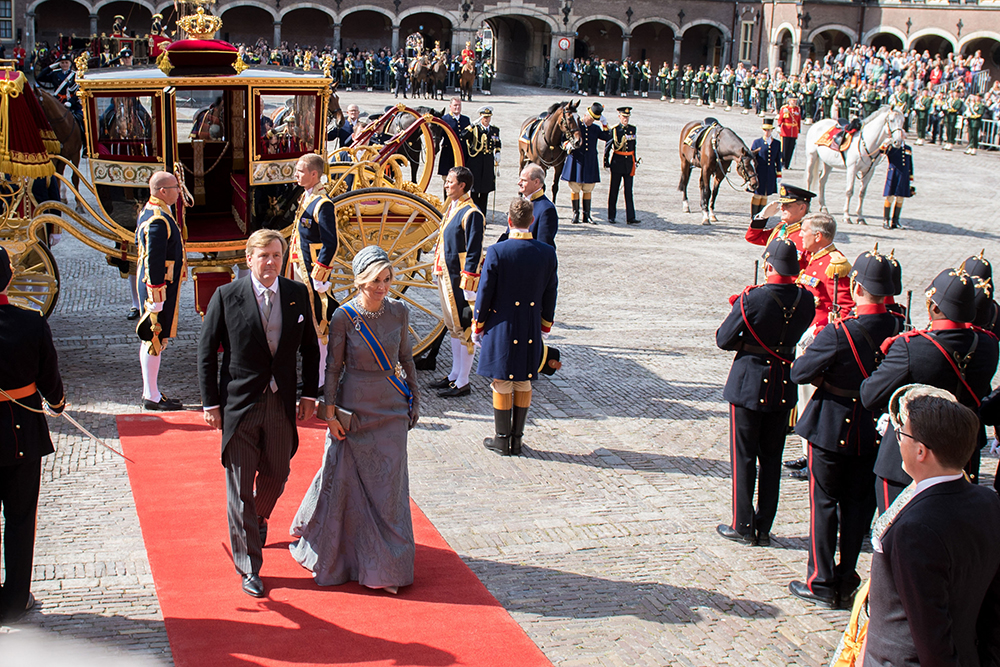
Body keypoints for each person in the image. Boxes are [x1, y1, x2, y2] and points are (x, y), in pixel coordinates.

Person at [198, 229, 320, 598]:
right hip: (240, 406)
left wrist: (310, 395)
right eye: (263, 255)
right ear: (249, 259)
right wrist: (210, 404)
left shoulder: (298, 295)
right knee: (238, 492)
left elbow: (311, 350)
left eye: (276, 256)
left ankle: (259, 516)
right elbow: (206, 352)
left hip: (280, 403)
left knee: (278, 473)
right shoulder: (226, 295)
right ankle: (249, 567)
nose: (270, 262)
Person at [290, 246, 419, 594]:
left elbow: (406, 358)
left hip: (391, 406)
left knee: (389, 489)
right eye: (375, 280)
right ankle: (350, 558)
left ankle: (390, 566)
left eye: (387, 279)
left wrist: (416, 398)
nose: (382, 287)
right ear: (361, 280)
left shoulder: (399, 311)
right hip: (354, 408)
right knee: (346, 479)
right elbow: (332, 368)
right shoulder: (344, 317)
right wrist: (328, 413)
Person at [787, 248, 901, 608]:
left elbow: (799, 372)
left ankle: (821, 579)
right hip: (872, 430)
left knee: (824, 505)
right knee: (857, 508)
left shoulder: (842, 331)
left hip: (832, 423)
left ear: (856, 286)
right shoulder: (900, 327)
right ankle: (848, 576)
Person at [863, 386, 1000, 666]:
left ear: (922, 451)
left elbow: (930, 637)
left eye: (902, 434)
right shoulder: (989, 501)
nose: (898, 440)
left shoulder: (914, 529)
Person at [861, 268, 999, 512]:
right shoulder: (989, 344)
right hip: (961, 453)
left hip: (911, 457)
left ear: (934, 307)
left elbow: (870, 395)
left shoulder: (911, 346)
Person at [716, 237, 816, 546]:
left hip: (748, 381)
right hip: (782, 381)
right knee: (772, 458)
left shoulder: (752, 298)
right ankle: (763, 525)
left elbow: (723, 339)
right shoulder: (806, 299)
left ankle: (741, 523)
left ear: (768, 265)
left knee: (744, 456)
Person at [0, 246, 65, 624]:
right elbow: (49, 379)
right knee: (21, 518)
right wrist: (57, 403)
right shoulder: (30, 322)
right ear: (8, 277)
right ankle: (14, 600)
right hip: (19, 432)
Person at [474, 199, 558, 456]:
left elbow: (485, 292)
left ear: (509, 221)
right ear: (531, 221)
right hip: (530, 323)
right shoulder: (547, 252)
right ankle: (517, 439)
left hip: (501, 323)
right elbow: (550, 292)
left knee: (502, 381)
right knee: (523, 379)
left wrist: (478, 323)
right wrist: (545, 324)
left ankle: (502, 438)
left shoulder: (498, 251)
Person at [428, 166, 484, 398]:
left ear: (462, 185)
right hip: (445, 274)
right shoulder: (454, 208)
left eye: (450, 182)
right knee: (452, 327)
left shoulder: (471, 213)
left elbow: (473, 251)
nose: (446, 185)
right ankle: (454, 374)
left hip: (459, 278)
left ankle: (463, 380)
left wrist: (469, 285)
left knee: (464, 328)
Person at [287, 154, 338, 388]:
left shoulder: (323, 203)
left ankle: (320, 379)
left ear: (314, 174)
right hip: (301, 267)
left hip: (313, 272)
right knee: (308, 321)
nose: (296, 174)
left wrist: (320, 275)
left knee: (320, 322)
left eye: (300, 171)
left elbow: (331, 243)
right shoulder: (307, 197)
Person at [135, 172, 185, 411]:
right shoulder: (157, 219)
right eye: (176, 187)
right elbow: (153, 260)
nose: (179, 191)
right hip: (158, 288)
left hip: (159, 286)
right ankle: (151, 394)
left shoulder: (158, 211)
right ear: (163, 191)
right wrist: (156, 296)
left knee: (154, 338)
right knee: (153, 338)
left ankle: (151, 391)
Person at [560, 102, 610, 224]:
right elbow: (562, 139)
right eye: (590, 118)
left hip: (590, 161)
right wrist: (567, 145)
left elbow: (608, 137)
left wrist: (605, 124)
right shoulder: (577, 126)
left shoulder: (595, 128)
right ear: (585, 115)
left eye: (594, 120)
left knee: (588, 188)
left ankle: (586, 215)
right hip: (577, 159)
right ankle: (575, 213)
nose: (591, 121)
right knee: (575, 187)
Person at [745, 184, 813, 273]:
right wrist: (762, 217)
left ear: (802, 208)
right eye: (782, 204)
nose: (781, 208)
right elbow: (752, 237)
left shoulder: (808, 233)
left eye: (787, 205)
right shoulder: (781, 228)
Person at [462, 106, 501, 216]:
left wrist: (498, 153)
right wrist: (472, 125)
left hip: (488, 163)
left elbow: (497, 143)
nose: (486, 119)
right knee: (475, 190)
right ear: (480, 117)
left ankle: (482, 214)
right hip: (476, 162)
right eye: (484, 117)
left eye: (488, 117)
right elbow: (463, 135)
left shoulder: (494, 130)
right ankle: (474, 213)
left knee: (485, 190)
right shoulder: (475, 129)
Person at [604, 106, 639, 225]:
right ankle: (611, 216)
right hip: (617, 163)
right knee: (614, 190)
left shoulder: (632, 129)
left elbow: (633, 146)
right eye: (624, 117)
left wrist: (634, 161)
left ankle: (631, 217)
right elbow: (608, 146)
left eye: (627, 117)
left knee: (629, 191)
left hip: (629, 163)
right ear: (619, 116)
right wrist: (606, 161)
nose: (626, 119)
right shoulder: (614, 130)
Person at [509, 163, 557, 247]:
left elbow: (544, 245)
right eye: (520, 179)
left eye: (524, 180)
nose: (519, 183)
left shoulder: (546, 209)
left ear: (536, 182)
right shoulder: (520, 201)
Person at [748, 118, 782, 220]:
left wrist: (779, 173)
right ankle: (754, 216)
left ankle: (761, 217)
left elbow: (778, 160)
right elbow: (751, 158)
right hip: (759, 172)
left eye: (769, 130)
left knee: (765, 195)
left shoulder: (776, 143)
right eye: (765, 130)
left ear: (771, 130)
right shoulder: (757, 142)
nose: (767, 132)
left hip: (770, 172)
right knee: (758, 194)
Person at [879, 138, 914, 230]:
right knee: (889, 197)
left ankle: (896, 221)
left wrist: (910, 177)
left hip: (904, 176)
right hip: (893, 174)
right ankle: (886, 220)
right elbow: (881, 151)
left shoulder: (908, 148)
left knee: (900, 198)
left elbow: (910, 164)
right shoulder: (891, 148)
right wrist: (885, 143)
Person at [438, 97, 470, 188]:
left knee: (462, 179)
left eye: (459, 105)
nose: (457, 107)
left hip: (463, 153)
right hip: (448, 154)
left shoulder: (465, 120)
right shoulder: (444, 119)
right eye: (455, 105)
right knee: (448, 181)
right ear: (450, 106)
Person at [778, 96, 801, 170]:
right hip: (786, 131)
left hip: (793, 131)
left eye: (795, 101)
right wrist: (779, 125)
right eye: (793, 100)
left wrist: (799, 130)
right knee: (784, 148)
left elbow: (798, 120)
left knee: (791, 148)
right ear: (789, 101)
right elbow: (781, 118)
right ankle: (783, 163)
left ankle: (787, 164)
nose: (794, 102)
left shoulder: (797, 109)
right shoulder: (785, 108)